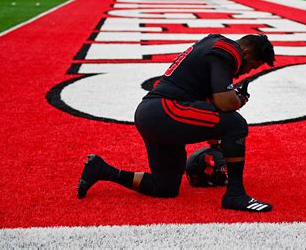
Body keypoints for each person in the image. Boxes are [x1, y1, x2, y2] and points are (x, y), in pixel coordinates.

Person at [77, 34, 275, 213]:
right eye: (253, 65)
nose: (247, 71)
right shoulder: (229, 50)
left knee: (165, 188)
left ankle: (102, 169)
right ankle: (235, 194)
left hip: (154, 114)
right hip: (165, 110)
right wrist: (239, 100)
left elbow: (207, 108)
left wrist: (220, 133)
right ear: (246, 52)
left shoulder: (212, 43)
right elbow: (224, 103)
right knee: (236, 124)